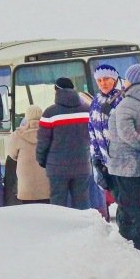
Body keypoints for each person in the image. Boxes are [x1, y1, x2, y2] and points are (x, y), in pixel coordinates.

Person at [108, 64, 140, 255]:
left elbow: (127, 134)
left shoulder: (127, 104)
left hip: (126, 165)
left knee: (133, 208)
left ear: (132, 80)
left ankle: (139, 249)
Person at [38, 77, 92, 209]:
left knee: (58, 204)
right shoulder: (87, 110)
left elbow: (43, 141)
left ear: (56, 90)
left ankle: (61, 229)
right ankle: (84, 228)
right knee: (82, 202)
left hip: (57, 167)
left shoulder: (50, 112)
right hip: (82, 164)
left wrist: (41, 160)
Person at [88, 63, 126, 226]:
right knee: (116, 195)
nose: (103, 83)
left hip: (122, 158)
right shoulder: (96, 101)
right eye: (100, 80)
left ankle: (128, 231)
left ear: (115, 79)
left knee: (125, 199)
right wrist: (96, 156)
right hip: (105, 160)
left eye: (107, 79)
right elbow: (92, 129)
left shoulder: (122, 99)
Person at [5, 105, 50, 204]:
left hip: (26, 183)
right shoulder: (49, 133)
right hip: (46, 180)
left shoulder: (17, 135)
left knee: (28, 211)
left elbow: (12, 155)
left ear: (27, 117)